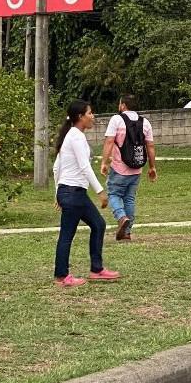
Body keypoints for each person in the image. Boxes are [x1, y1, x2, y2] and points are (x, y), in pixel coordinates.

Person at [54, 99, 121, 287]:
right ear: (80, 116)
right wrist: (100, 191)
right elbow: (84, 167)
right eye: (90, 113)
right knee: (68, 234)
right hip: (73, 193)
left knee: (98, 224)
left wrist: (58, 194)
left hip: (72, 193)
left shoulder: (72, 135)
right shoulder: (75, 137)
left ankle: (96, 269)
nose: (93, 116)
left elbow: (57, 167)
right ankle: (62, 276)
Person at [100, 94, 157, 242]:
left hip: (119, 167)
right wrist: (152, 167)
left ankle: (121, 217)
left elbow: (109, 141)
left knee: (114, 194)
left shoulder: (116, 119)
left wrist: (104, 162)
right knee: (129, 199)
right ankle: (126, 232)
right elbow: (150, 146)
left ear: (123, 105)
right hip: (136, 169)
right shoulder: (145, 122)